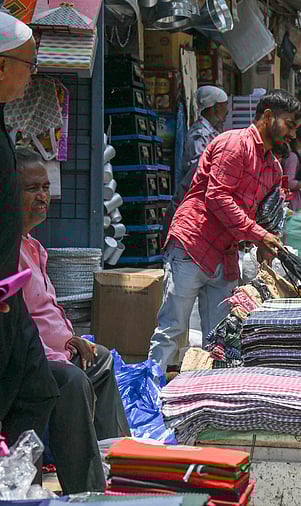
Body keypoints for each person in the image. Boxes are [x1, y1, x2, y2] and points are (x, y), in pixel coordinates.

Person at [148, 90, 298, 370]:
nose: (291, 134)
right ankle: (149, 400)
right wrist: (258, 234)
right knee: (173, 328)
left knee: (220, 339)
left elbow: (263, 218)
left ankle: (206, 402)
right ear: (268, 117)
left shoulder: (273, 169)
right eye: (289, 124)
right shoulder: (234, 143)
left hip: (226, 256)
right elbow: (217, 197)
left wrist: (264, 242)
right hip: (194, 245)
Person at [16, 148, 131, 493]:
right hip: (29, 362)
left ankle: (121, 462)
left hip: (55, 353)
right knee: (72, 381)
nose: (42, 196)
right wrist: (60, 354)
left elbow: (48, 312)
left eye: (45, 187)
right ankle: (87, 490)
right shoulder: (8, 251)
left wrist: (72, 340)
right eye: (31, 188)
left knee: (103, 360)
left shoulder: (33, 246)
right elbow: (21, 325)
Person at [0, 13, 59, 471]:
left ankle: (18, 480)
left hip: (7, 292)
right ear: (2, 66)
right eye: (27, 64)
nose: (31, 73)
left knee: (36, 388)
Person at [175, 86, 229, 208]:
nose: (227, 111)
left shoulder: (213, 132)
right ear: (214, 108)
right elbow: (198, 168)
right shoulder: (199, 134)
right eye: (224, 106)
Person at [281, 132, 301, 213]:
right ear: (299, 140)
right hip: (295, 200)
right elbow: (289, 182)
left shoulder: (292, 155)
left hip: (296, 199)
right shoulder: (292, 157)